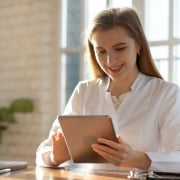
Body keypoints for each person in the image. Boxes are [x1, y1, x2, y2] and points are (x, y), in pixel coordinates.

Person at [36, 7, 180, 172]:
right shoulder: (84, 91)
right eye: (101, 51)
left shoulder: (167, 93)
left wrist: (139, 159)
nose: (110, 61)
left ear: (139, 45)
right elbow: (43, 152)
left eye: (120, 48)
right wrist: (55, 157)